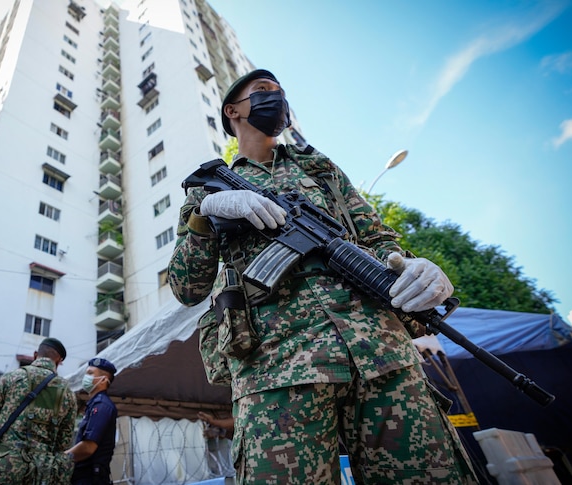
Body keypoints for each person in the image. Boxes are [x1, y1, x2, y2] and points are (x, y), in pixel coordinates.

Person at [168, 69, 478, 484]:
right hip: (276, 365)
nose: (275, 100)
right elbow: (187, 288)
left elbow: (376, 236)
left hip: (380, 349)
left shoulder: (319, 168)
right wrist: (206, 215)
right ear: (232, 111)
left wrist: (414, 266)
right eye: (262, 92)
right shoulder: (207, 191)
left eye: (280, 94)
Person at [0, 337, 77, 485]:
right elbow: (64, 442)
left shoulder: (11, 378)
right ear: (58, 362)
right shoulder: (68, 393)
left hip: (5, 465)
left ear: (35, 355)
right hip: (41, 472)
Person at [65, 358, 118, 485]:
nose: (86, 377)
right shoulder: (93, 404)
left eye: (90, 373)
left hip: (91, 478)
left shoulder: (101, 406)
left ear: (104, 380)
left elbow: (88, 447)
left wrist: (61, 459)